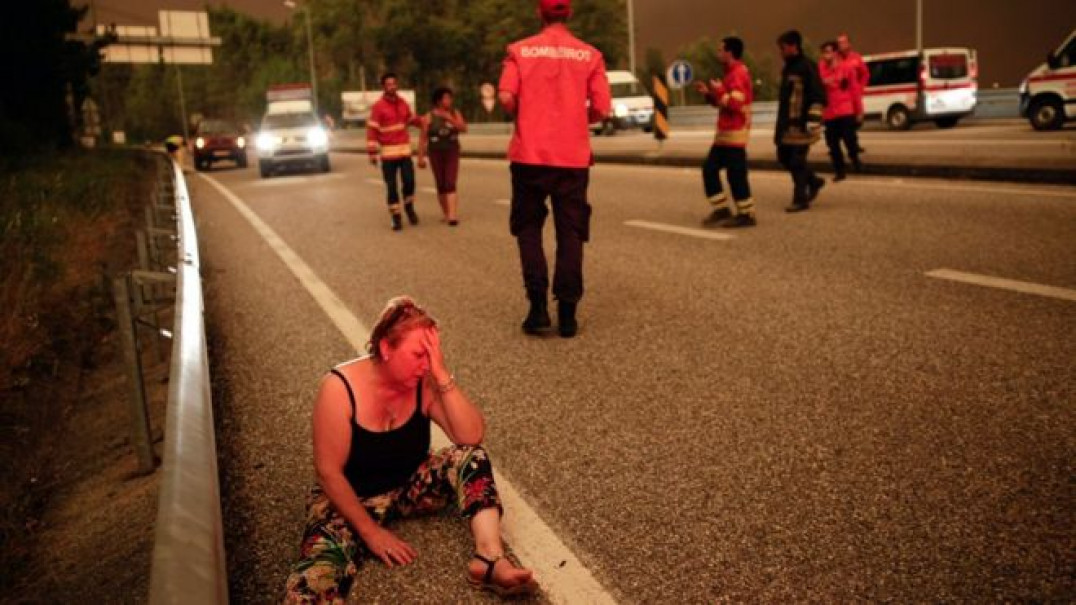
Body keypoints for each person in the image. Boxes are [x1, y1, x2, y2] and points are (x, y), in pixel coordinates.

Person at [283, 297, 537, 603]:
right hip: (350, 499)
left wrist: (442, 377)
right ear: (387, 349)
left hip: (407, 488)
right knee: (309, 588)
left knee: (471, 458)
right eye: (419, 354)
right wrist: (371, 533)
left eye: (431, 355)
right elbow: (328, 473)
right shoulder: (338, 389)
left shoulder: (425, 381)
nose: (426, 365)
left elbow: (470, 436)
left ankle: (489, 559)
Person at [497, 0, 611, 338]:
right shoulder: (590, 55)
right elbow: (603, 108)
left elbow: (505, 97)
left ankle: (537, 308)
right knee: (571, 231)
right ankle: (568, 314)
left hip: (529, 156)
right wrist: (579, 120)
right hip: (573, 158)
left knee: (529, 228)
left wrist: (526, 114)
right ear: (569, 14)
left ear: (540, 13)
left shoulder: (519, 51)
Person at [693, 36, 756, 229]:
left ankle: (746, 214)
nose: (718, 53)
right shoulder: (729, 73)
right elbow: (722, 102)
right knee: (709, 169)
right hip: (724, 135)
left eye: (721, 50)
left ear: (730, 52)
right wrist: (708, 94)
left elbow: (736, 104)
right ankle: (722, 210)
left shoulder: (739, 73)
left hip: (735, 134)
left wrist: (719, 91)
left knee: (736, 175)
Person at [774, 30, 827, 213]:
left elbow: (818, 95)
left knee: (797, 161)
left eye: (782, 48)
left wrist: (812, 121)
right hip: (787, 126)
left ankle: (800, 199)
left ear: (793, 46)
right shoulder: (788, 68)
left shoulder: (807, 66)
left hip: (801, 125)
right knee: (783, 157)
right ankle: (813, 181)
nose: (780, 52)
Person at [367, 74, 422, 231]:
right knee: (391, 187)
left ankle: (409, 208)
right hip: (388, 155)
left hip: (404, 152)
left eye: (394, 84)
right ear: (384, 87)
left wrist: (424, 122)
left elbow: (411, 119)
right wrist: (372, 152)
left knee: (410, 182)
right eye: (389, 84)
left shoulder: (403, 103)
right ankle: (396, 217)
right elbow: (372, 130)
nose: (392, 86)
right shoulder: (378, 107)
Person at [417, 87, 468, 226]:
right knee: (441, 183)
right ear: (439, 101)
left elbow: (464, 128)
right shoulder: (428, 117)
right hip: (435, 152)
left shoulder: (454, 113)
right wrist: (420, 158)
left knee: (450, 182)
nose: (449, 101)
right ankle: (446, 213)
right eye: (446, 98)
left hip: (452, 150)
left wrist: (450, 119)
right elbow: (422, 138)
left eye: (450, 98)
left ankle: (452, 215)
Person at [819, 40, 861, 181]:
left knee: (850, 139)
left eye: (829, 52)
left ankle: (856, 161)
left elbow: (854, 90)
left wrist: (858, 110)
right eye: (824, 52)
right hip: (830, 113)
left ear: (836, 53)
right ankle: (839, 170)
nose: (826, 55)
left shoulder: (846, 68)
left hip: (845, 110)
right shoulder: (820, 69)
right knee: (832, 144)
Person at [837, 33, 870, 154]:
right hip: (841, 97)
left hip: (854, 95)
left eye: (843, 42)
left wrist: (860, 88)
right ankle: (848, 145)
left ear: (849, 44)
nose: (840, 45)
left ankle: (853, 144)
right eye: (839, 43)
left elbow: (865, 74)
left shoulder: (856, 58)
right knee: (845, 122)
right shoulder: (835, 59)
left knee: (856, 121)